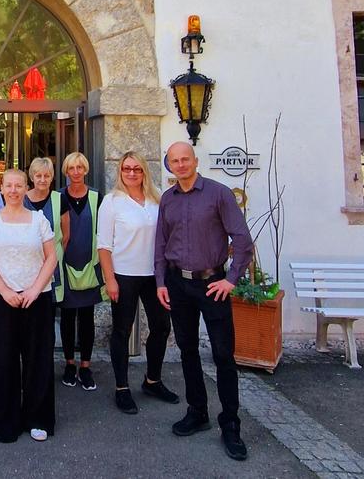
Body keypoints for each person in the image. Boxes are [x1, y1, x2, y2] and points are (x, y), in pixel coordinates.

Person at [156, 141, 254, 461]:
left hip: (213, 284)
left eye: (186, 159)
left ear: (195, 161)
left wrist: (231, 279)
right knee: (187, 351)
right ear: (169, 165)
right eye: (175, 161)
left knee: (224, 355)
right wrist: (160, 282)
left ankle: (230, 424)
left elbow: (242, 239)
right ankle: (197, 411)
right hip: (177, 285)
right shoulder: (167, 200)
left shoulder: (218, 193)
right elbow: (160, 243)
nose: (181, 164)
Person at [0, 168, 58, 443]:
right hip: (0, 298)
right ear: (1, 187)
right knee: (2, 360)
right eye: (8, 185)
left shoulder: (38, 219)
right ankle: (6, 420)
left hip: (37, 297)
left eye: (18, 185)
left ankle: (38, 418)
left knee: (38, 359)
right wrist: (5, 291)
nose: (13, 190)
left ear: (26, 188)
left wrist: (35, 289)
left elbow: (51, 258)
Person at [97, 152, 178, 414]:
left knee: (162, 327)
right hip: (124, 274)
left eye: (137, 169)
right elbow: (104, 246)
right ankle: (122, 388)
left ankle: (152, 380)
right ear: (120, 172)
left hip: (154, 275)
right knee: (122, 330)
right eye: (126, 169)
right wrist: (110, 280)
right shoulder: (112, 202)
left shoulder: (157, 200)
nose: (131, 173)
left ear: (144, 171)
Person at [54, 152, 105, 391]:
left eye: (79, 167)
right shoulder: (57, 198)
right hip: (64, 264)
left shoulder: (97, 198)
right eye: (71, 168)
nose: (75, 172)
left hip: (90, 265)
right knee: (67, 317)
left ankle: (85, 365)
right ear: (65, 171)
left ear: (86, 170)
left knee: (86, 318)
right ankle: (69, 364)